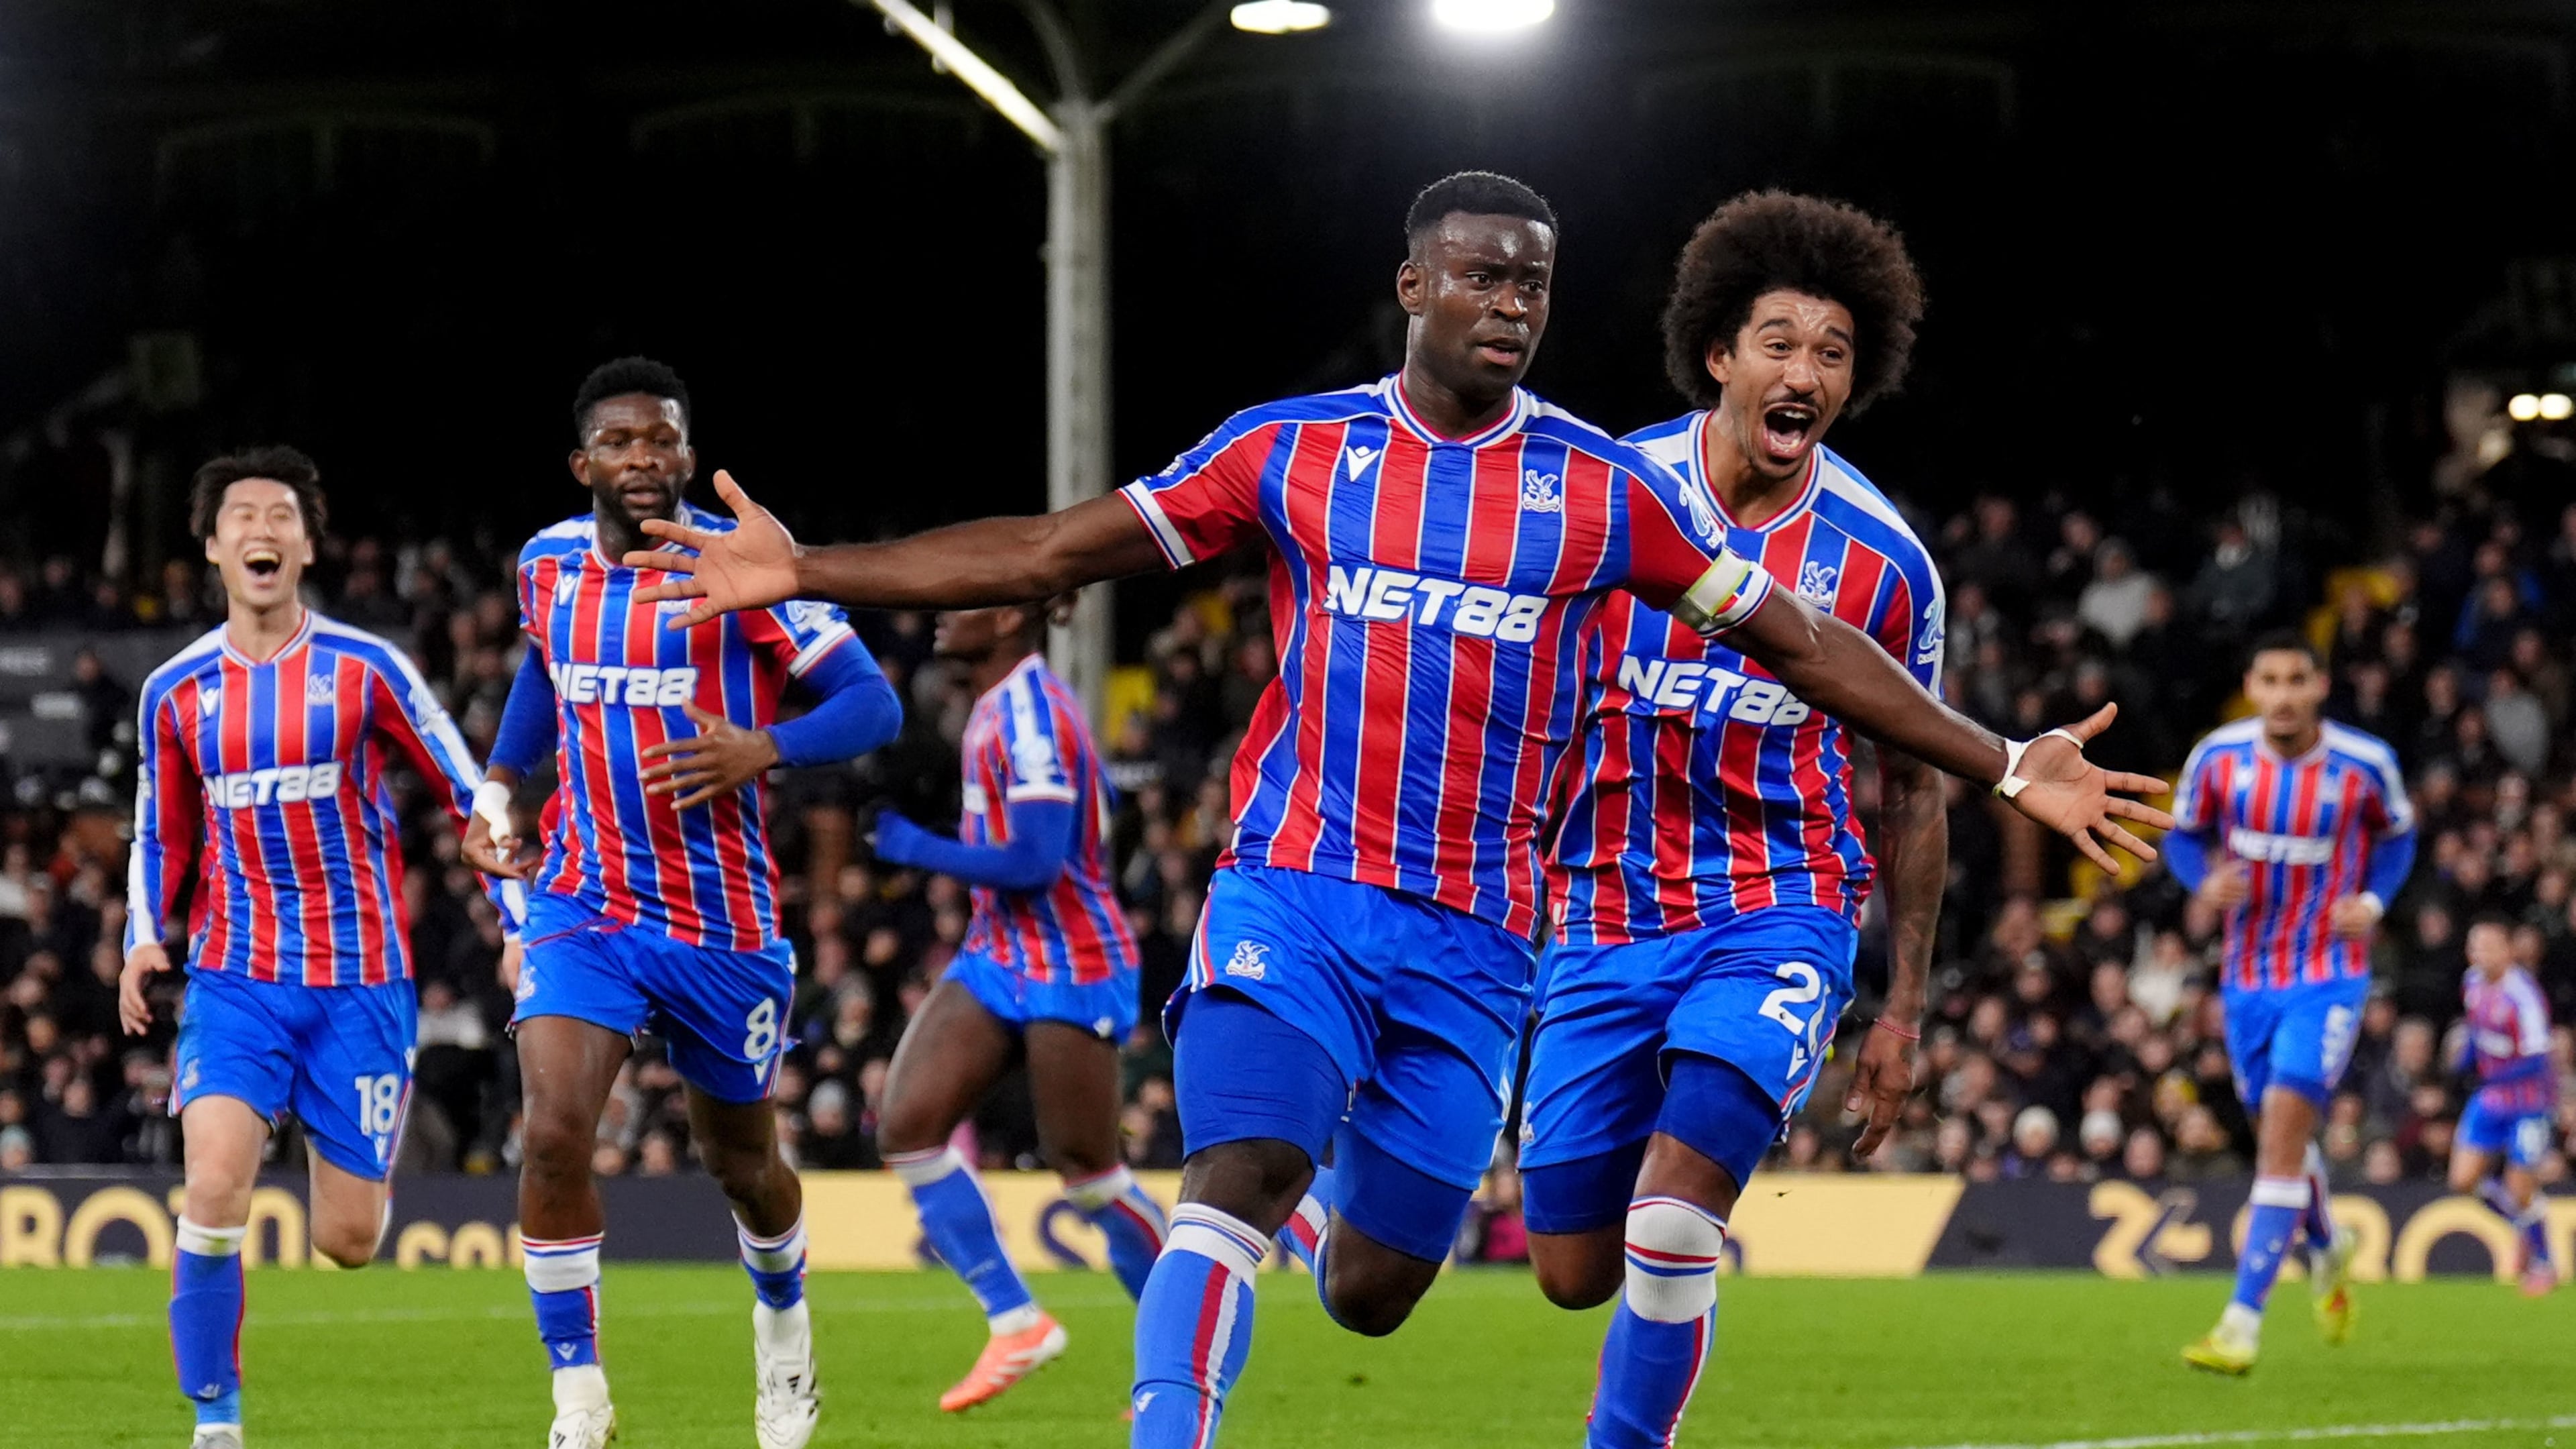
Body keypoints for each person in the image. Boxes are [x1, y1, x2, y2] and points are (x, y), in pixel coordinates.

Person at [623, 172, 2167, 1448]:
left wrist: (1993, 756)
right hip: (1294, 886)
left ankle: (1371, 1198)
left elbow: (1804, 646)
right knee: (1234, 1174)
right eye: (1480, 276)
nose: (1508, 303)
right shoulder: (1290, 451)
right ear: (1412, 283)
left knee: (1372, 1284)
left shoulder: (1597, 491)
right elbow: (1046, 551)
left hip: (1482, 942)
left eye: (1533, 286)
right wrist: (811, 567)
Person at [1517, 191, 1948, 1447]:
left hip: (1779, 910)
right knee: (1571, 1267)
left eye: (1832, 352)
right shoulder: (1605, 497)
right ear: (1718, 352)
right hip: (1601, 919)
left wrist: (1902, 1010)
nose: (1804, 371)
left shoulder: (1883, 560)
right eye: (1779, 342)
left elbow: (1914, 788)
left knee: (1670, 1220)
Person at [463, 358, 902, 1449]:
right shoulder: (548, 567)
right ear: (585, 465)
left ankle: (786, 1332)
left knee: (742, 1167)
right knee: (557, 1136)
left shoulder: (743, 564)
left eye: (662, 440)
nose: (644, 458)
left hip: (722, 926)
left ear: (689, 458)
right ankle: (579, 1401)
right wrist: (499, 788)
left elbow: (874, 701)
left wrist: (768, 745)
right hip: (584, 900)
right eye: (620, 442)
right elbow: (541, 671)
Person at [120, 446, 492, 1449]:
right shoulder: (175, 691)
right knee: (210, 1187)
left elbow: (469, 793)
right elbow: (164, 829)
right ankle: (218, 1425)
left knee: (348, 1243)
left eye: (283, 517)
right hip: (236, 980)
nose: (263, 531)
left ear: (310, 545)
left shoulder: (369, 671)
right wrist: (142, 939)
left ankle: (351, 1147)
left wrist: (520, 909)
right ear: (212, 546)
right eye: (242, 517)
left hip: (360, 985)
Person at [866, 595, 1171, 1409]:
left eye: (966, 598)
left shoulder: (1033, 715)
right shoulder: (993, 705)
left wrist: (916, 848)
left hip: (1073, 961)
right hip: (999, 954)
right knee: (907, 1125)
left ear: (1007, 620)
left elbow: (1037, 859)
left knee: (1090, 1174)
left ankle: (1184, 1333)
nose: (939, 611)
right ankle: (1016, 1321)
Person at [2166, 631, 2416, 1375]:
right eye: (2269, 680)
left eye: (2295, 681)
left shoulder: (2365, 765)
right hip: (2247, 981)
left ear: (2319, 687)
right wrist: (2202, 882)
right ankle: (2327, 1245)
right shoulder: (2218, 758)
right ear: (2252, 685)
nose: (2281, 694)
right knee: (2284, 1140)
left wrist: (2372, 900)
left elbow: (2398, 840)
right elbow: (2184, 838)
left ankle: (2240, 1325)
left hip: (2329, 975)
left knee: (2281, 1132)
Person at [2447, 915, 2558, 1295]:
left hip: (2528, 1101)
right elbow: (2479, 1035)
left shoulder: (2524, 995)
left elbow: (2539, 1057)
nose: (2481, 954)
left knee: (2521, 1186)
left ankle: (2544, 1263)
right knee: (2462, 1179)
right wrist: (2463, 1061)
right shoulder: (2472, 983)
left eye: (2489, 946)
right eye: (2475, 946)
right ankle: (2522, 1226)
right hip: (2491, 1098)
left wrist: (2495, 1071)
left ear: (2508, 951)